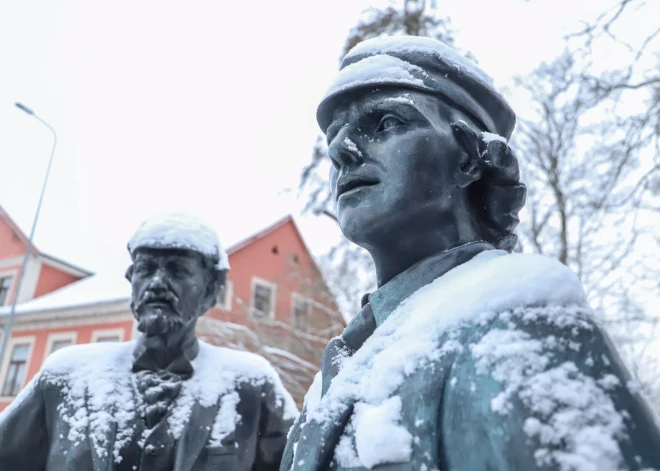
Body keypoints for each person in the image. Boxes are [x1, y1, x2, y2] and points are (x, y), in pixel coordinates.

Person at [281, 36, 660, 471]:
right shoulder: (335, 372)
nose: (338, 150)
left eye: (386, 123)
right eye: (335, 136)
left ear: (467, 159)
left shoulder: (515, 318)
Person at [0, 211, 297, 471]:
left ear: (210, 292)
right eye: (145, 269)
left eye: (177, 270)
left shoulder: (253, 388)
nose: (157, 283)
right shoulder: (64, 378)